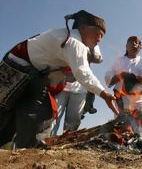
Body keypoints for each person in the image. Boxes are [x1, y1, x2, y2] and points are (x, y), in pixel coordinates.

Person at [0, 10, 118, 148]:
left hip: (32, 72)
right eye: (98, 34)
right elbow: (83, 73)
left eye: (102, 37)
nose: (99, 40)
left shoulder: (74, 39)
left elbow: (95, 57)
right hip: (20, 68)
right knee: (26, 111)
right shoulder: (74, 42)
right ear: (83, 29)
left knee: (30, 111)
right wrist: (105, 95)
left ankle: (27, 143)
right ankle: (27, 144)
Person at [105, 36, 142, 112]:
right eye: (131, 42)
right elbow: (108, 79)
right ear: (126, 46)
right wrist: (121, 76)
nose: (134, 44)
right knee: (122, 123)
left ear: (140, 47)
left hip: (140, 100)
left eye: (137, 43)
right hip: (122, 100)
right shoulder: (118, 61)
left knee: (141, 122)